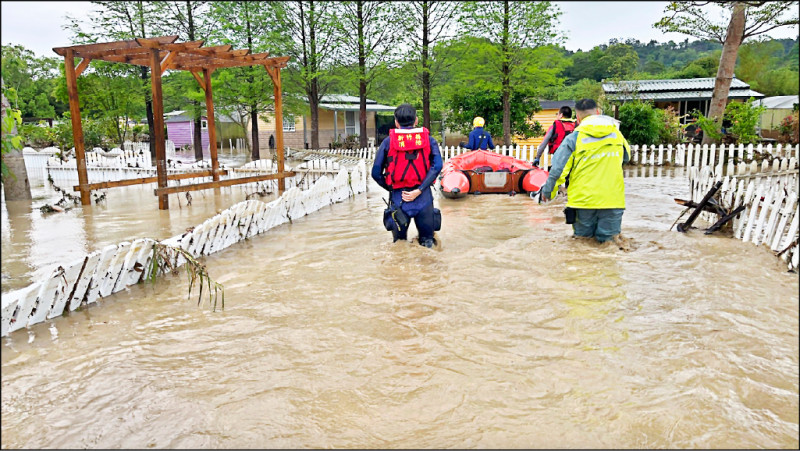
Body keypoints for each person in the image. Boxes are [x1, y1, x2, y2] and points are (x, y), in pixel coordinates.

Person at [538, 98, 631, 243]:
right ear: (598, 112)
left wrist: (548, 191)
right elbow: (625, 158)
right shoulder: (617, 135)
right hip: (613, 201)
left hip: (583, 202)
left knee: (582, 244)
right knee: (610, 245)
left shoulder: (574, 139)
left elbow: (558, 170)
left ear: (578, 117)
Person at [371, 103, 443, 248]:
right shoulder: (429, 140)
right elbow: (437, 167)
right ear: (416, 120)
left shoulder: (387, 142)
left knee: (399, 245)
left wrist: (391, 188)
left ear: (396, 122)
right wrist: (419, 190)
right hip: (423, 198)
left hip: (399, 198)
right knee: (427, 243)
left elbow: (375, 173)